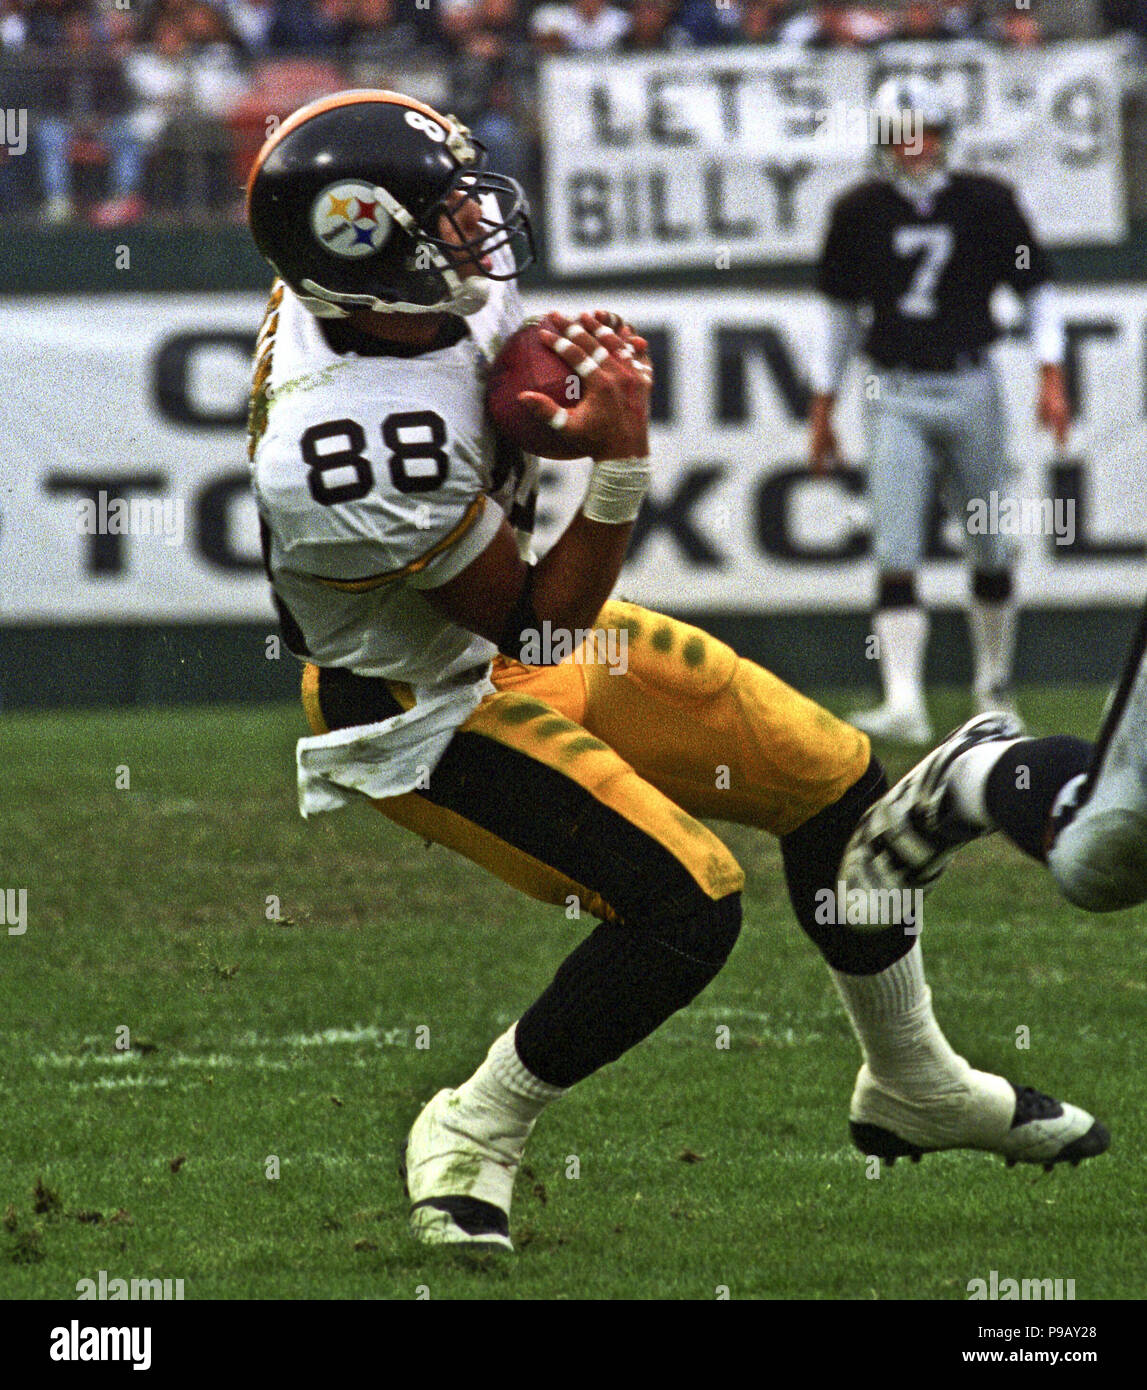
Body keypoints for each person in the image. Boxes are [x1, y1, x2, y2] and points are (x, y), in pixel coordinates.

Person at [246, 90, 1106, 1250]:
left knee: (832, 779)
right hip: (422, 702)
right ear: (369, 262)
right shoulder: (341, 445)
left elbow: (495, 411)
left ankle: (916, 1081)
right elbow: (537, 633)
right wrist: (618, 456)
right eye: (439, 217)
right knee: (682, 905)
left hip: (500, 642)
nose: (474, 231)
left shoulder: (389, 298)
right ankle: (472, 1126)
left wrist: (541, 413)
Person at [809, 75, 1072, 743]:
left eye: (924, 130)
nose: (914, 145)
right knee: (895, 546)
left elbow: (1036, 290)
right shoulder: (857, 210)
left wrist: (1050, 375)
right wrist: (821, 405)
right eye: (901, 134)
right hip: (892, 388)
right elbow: (838, 316)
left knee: (989, 540)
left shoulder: (985, 202)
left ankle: (994, 686)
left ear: (944, 133)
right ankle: (903, 700)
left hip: (970, 383)